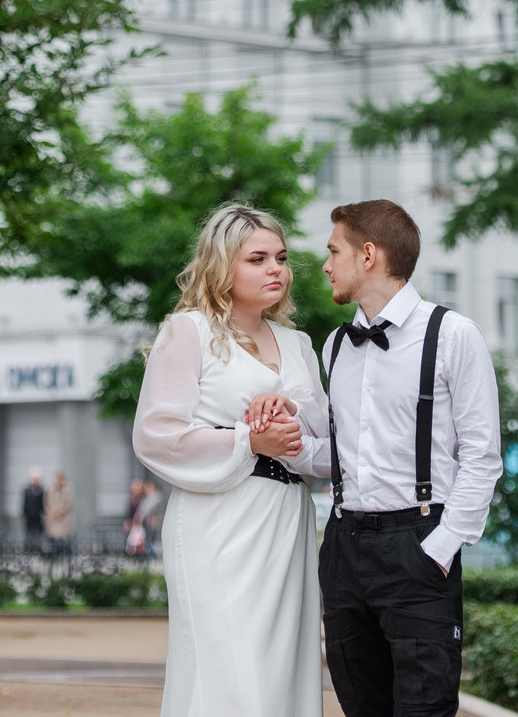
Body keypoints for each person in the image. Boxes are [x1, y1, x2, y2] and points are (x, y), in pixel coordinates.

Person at [293, 199, 501, 717]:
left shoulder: (453, 335)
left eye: (333, 250)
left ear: (368, 255)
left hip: (419, 544)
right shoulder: (335, 345)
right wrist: (289, 445)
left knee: (423, 708)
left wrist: (443, 546)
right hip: (344, 547)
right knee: (361, 705)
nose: (325, 265)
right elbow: (339, 455)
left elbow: (482, 455)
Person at [132, 203, 327, 717]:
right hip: (217, 522)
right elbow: (156, 434)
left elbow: (328, 446)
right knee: (228, 674)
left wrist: (289, 418)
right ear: (222, 265)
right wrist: (248, 441)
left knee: (283, 672)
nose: (276, 271)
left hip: (287, 520)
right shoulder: (188, 331)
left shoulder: (299, 343)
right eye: (257, 259)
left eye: (281, 258)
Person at [45, 471, 75, 555]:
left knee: (62, 538)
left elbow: (67, 504)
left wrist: (58, 512)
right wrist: (50, 511)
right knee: (53, 538)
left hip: (62, 519)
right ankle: (55, 554)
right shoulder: (51, 489)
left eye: (57, 479)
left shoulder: (66, 489)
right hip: (53, 518)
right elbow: (47, 502)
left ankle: (64, 554)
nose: (55, 481)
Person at [21, 470, 46, 548]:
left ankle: (38, 547)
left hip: (38, 515)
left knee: (39, 532)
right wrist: (24, 513)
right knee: (28, 532)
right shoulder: (27, 490)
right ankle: (28, 547)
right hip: (29, 515)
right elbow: (24, 502)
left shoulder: (41, 490)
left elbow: (43, 502)